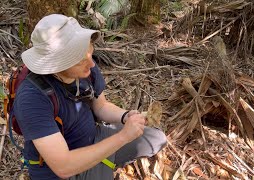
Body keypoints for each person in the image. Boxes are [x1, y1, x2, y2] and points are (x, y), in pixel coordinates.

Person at [13, 14, 167, 180]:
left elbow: (101, 106)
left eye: (90, 53)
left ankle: (103, 160)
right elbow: (63, 166)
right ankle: (101, 163)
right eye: (80, 59)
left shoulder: (86, 69)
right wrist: (122, 137)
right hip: (64, 170)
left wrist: (124, 116)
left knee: (156, 138)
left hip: (94, 138)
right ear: (57, 64)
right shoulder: (32, 98)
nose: (92, 63)